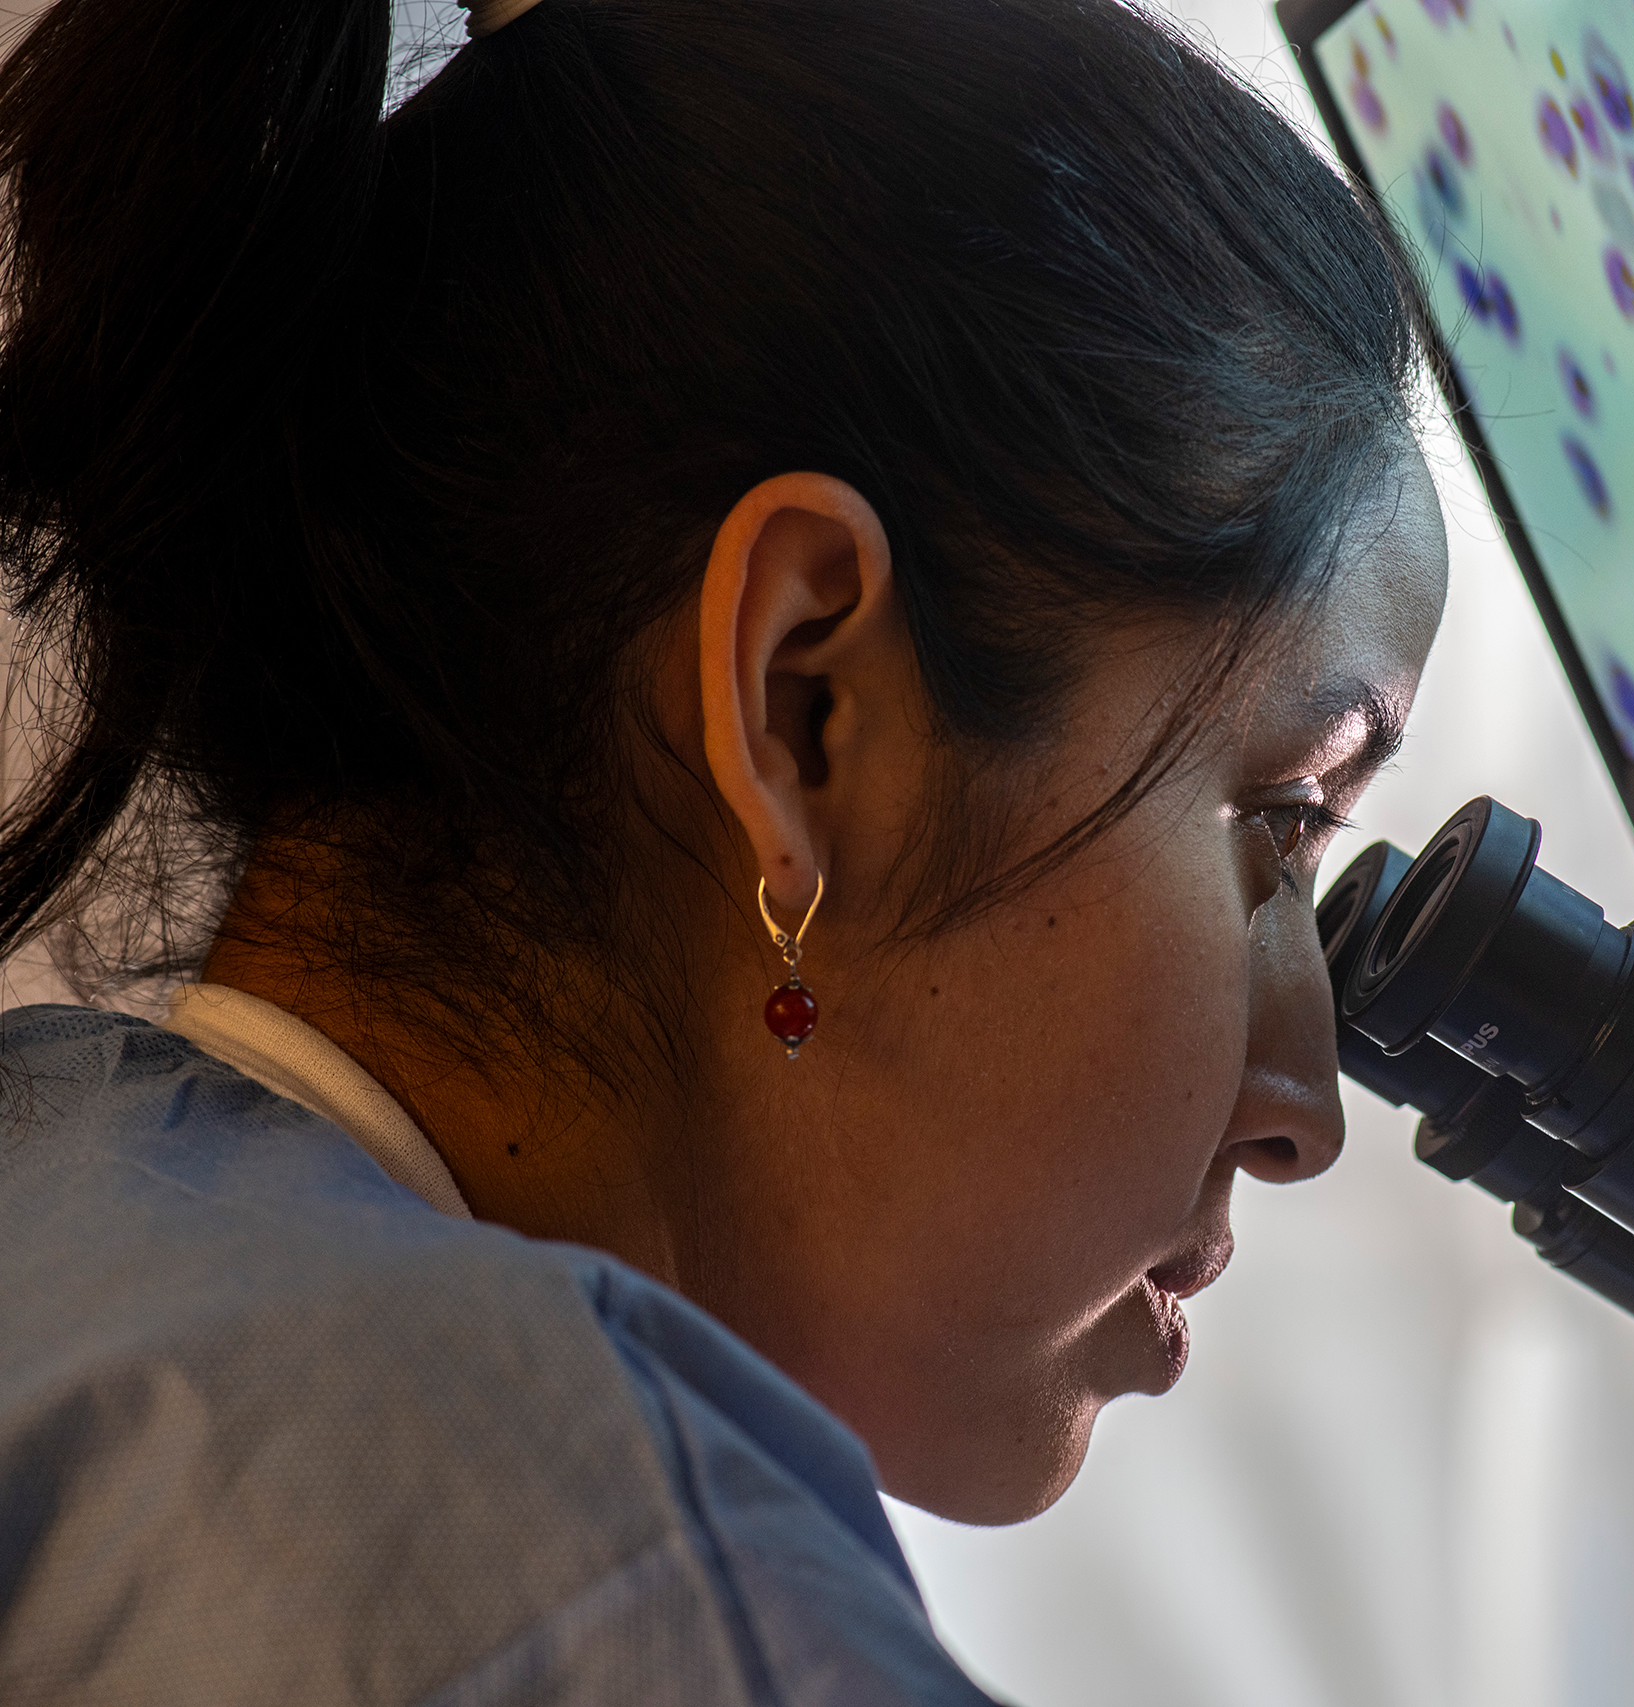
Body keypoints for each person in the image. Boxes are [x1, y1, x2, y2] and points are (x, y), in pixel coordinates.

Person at [0, 0, 1445, 1698]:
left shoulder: (72, 1195)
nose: (1308, 1113)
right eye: (1278, 821)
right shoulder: (640, 1616)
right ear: (801, 707)